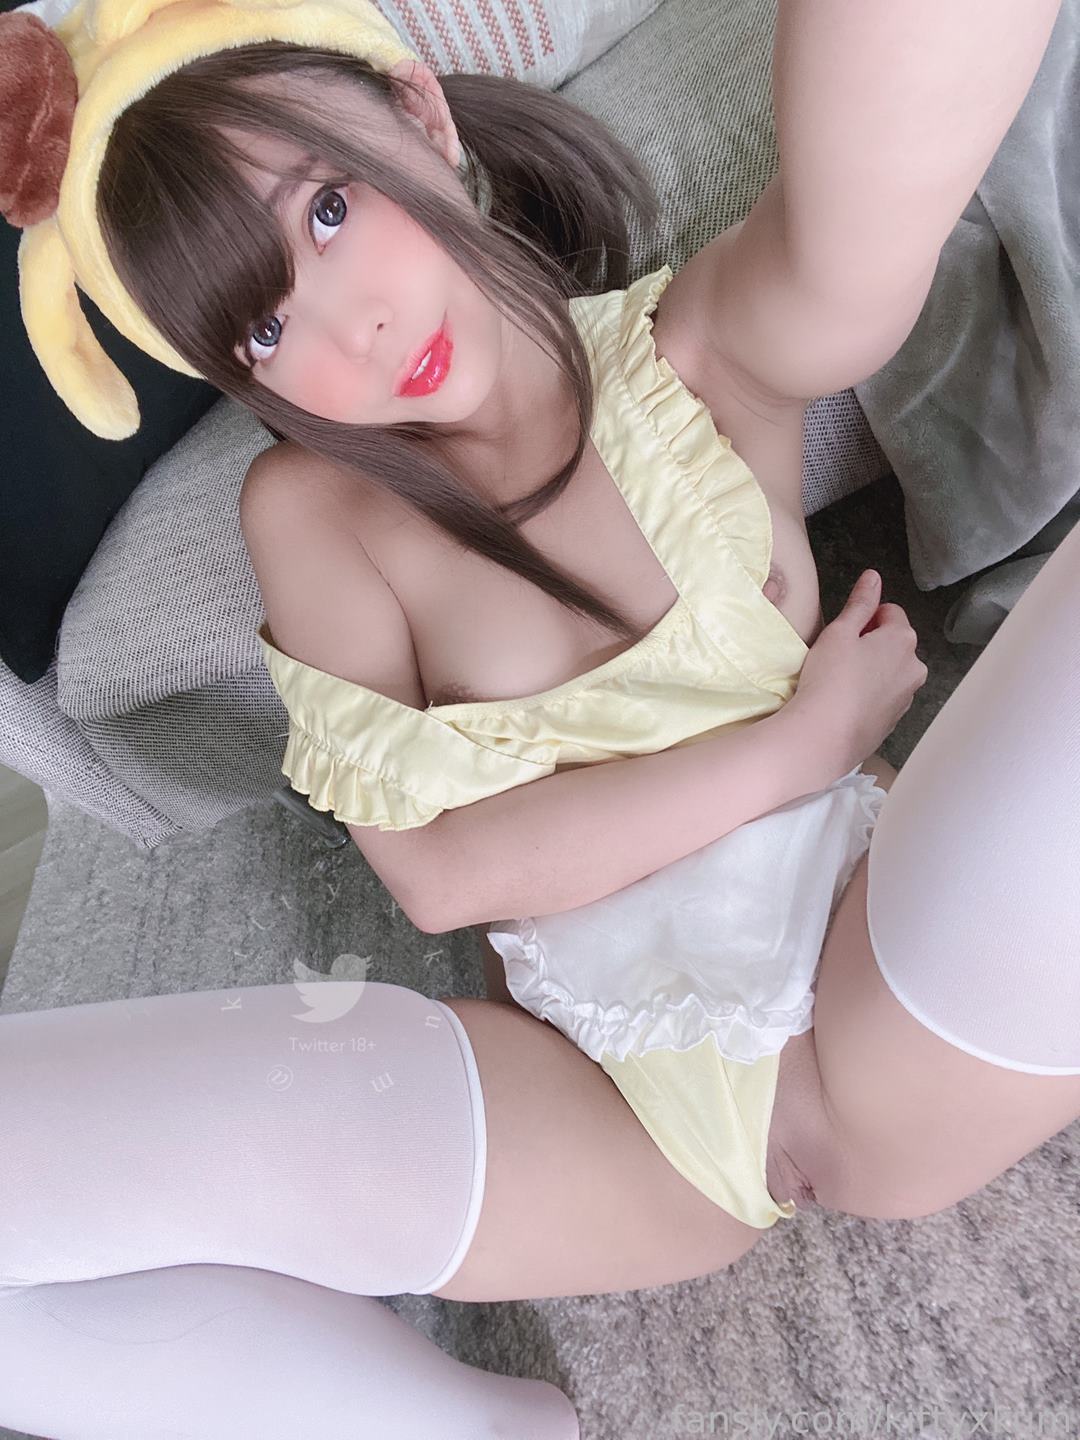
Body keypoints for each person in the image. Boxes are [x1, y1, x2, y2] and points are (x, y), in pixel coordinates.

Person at [1, 0, 1077, 1434]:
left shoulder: (698, 358)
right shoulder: (316, 510)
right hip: (600, 1123)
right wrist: (794, 745)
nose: (352, 328)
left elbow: (853, 229)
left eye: (329, 209)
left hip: (874, 1017)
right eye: (263, 326)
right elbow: (441, 874)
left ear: (421, 115)